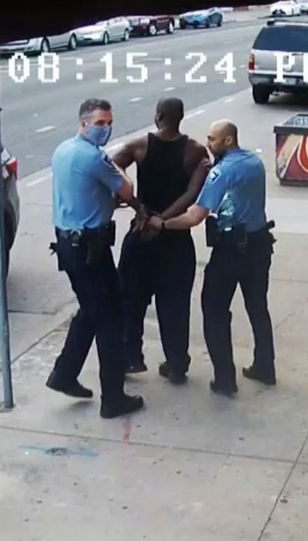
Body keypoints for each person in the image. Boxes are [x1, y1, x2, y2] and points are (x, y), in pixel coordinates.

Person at [144, 120, 275, 397]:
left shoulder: (223, 171)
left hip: (230, 251)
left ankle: (225, 378)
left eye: (212, 139)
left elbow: (195, 215)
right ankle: (265, 366)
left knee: (214, 311)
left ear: (228, 141)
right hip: (260, 245)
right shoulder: (254, 162)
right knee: (257, 307)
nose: (208, 144)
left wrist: (162, 223)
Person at [45, 98, 146, 418]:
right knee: (109, 321)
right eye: (100, 123)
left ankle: (64, 374)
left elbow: (85, 191)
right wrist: (112, 167)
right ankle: (113, 398)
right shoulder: (93, 158)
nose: (106, 128)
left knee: (92, 309)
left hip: (70, 246)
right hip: (90, 251)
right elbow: (127, 189)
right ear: (83, 123)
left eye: (109, 123)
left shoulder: (63, 150)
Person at [111, 98, 211, 384]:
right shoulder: (194, 151)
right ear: (181, 117)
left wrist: (140, 208)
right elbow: (192, 194)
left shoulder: (139, 146)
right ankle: (177, 364)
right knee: (175, 306)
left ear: (158, 116)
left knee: (131, 301)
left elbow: (112, 170)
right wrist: (164, 221)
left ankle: (131, 357)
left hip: (140, 236)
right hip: (176, 239)